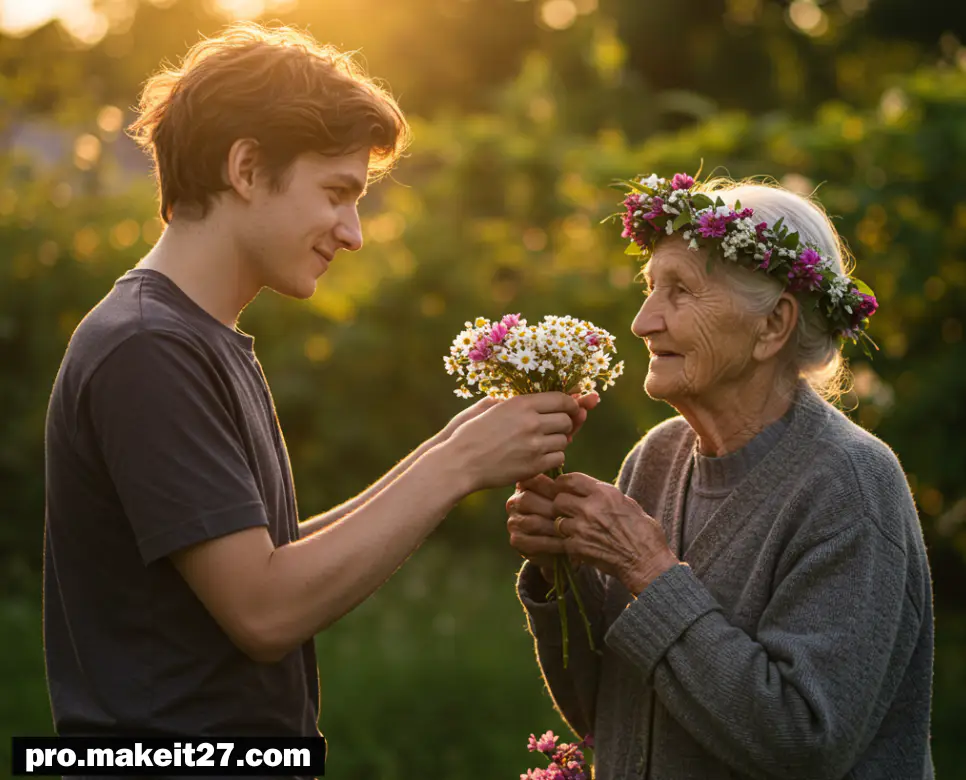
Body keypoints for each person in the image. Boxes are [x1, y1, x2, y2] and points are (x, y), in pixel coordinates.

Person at [42, 22, 595, 769]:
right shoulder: (148, 347)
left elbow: (269, 559)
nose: (354, 232)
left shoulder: (197, 336)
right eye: (337, 193)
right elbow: (265, 610)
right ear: (245, 167)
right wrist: (457, 467)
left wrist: (456, 445)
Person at [506, 174, 935, 779]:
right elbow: (606, 714)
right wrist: (562, 574)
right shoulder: (654, 459)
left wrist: (648, 572)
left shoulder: (850, 486)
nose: (643, 321)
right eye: (650, 286)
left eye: (679, 290)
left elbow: (804, 741)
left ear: (772, 326)